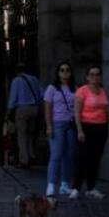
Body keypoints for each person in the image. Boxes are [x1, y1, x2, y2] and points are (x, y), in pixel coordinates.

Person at [73, 65, 109, 200]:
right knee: (83, 158)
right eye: (92, 74)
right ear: (87, 77)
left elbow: (105, 108)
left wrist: (108, 119)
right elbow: (77, 112)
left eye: (97, 74)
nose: (95, 77)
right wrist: (79, 130)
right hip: (86, 126)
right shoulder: (82, 91)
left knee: (95, 159)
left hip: (101, 127)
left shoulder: (102, 91)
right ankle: (76, 187)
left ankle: (91, 187)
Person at [43, 62, 76, 198]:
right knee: (56, 154)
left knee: (69, 156)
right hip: (57, 124)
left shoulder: (74, 88)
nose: (65, 73)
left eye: (67, 70)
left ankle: (64, 184)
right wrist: (49, 126)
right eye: (62, 70)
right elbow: (47, 108)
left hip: (71, 123)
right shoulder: (52, 88)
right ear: (58, 73)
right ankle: (51, 184)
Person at [7, 63, 43, 169]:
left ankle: (24, 160)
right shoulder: (34, 79)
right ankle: (32, 155)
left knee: (21, 135)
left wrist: (8, 112)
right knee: (30, 134)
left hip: (22, 109)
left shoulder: (16, 81)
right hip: (35, 108)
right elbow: (42, 94)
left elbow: (13, 99)